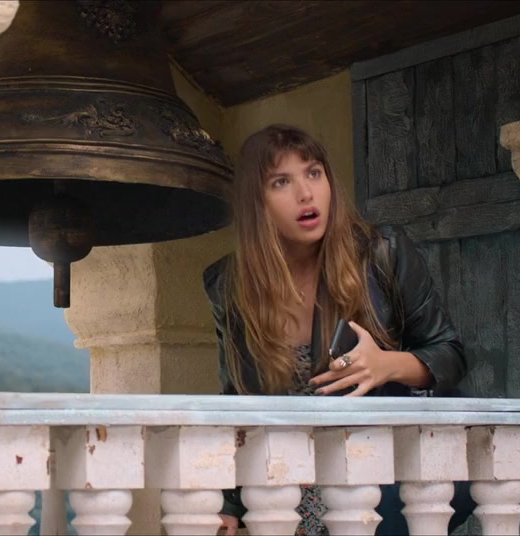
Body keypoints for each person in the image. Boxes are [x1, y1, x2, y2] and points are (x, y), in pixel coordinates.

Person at [202, 124, 472, 535]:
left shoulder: (382, 253)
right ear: (256, 202)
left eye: (314, 173)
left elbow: (450, 354)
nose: (305, 193)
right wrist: (228, 504)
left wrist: (386, 365)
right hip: (286, 493)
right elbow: (237, 402)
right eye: (281, 182)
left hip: (378, 479)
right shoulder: (228, 285)